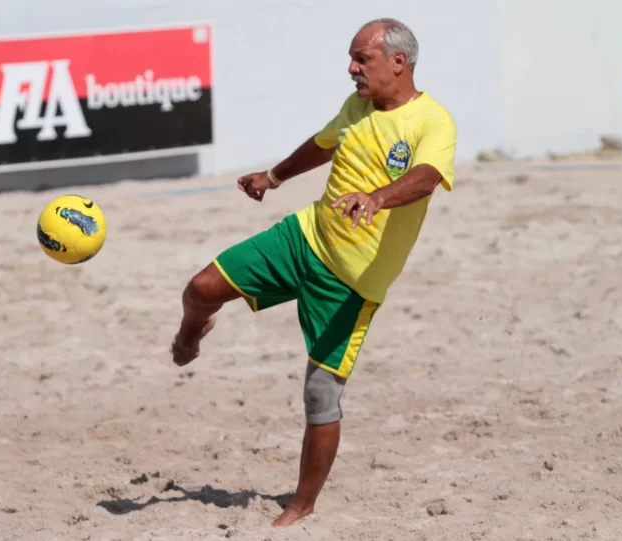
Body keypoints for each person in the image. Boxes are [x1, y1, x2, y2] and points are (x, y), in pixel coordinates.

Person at [170, 17, 457, 527]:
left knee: (320, 394)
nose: (351, 68)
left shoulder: (432, 122)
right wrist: (274, 176)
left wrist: (377, 198)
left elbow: (427, 177)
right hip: (305, 238)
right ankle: (191, 338)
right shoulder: (357, 107)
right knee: (201, 288)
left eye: (361, 58)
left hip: (352, 283)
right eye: (351, 58)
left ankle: (302, 505)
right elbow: (324, 143)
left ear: (399, 61)